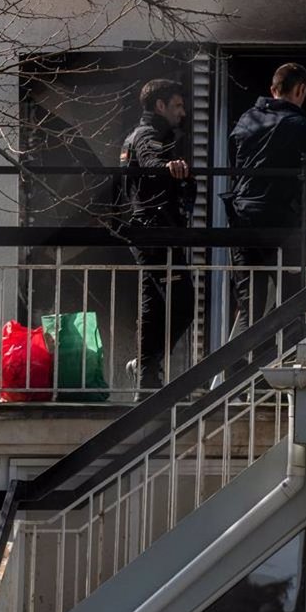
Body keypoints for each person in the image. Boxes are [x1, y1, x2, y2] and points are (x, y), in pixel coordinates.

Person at [223, 63, 306, 336]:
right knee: (293, 298)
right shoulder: (296, 124)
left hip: (241, 217)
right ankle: (287, 354)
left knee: (250, 305)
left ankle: (243, 361)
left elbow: (235, 159)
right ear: (301, 90)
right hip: (278, 221)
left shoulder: (247, 119)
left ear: (273, 89)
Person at [116, 78, 197, 392]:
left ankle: (147, 371)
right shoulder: (149, 134)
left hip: (150, 229)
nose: (182, 112)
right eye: (177, 105)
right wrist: (171, 167)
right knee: (182, 303)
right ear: (160, 105)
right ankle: (146, 366)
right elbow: (151, 162)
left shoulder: (139, 134)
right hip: (155, 229)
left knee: (155, 303)